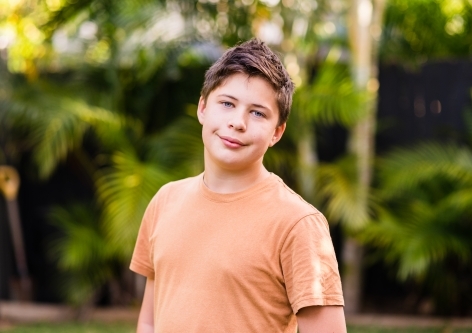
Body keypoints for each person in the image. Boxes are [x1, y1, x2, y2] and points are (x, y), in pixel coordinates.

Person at [130, 38, 346, 333]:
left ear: (277, 132)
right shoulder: (165, 201)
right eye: (227, 104)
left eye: (257, 112)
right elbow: (149, 320)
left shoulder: (298, 224)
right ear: (203, 108)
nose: (238, 122)